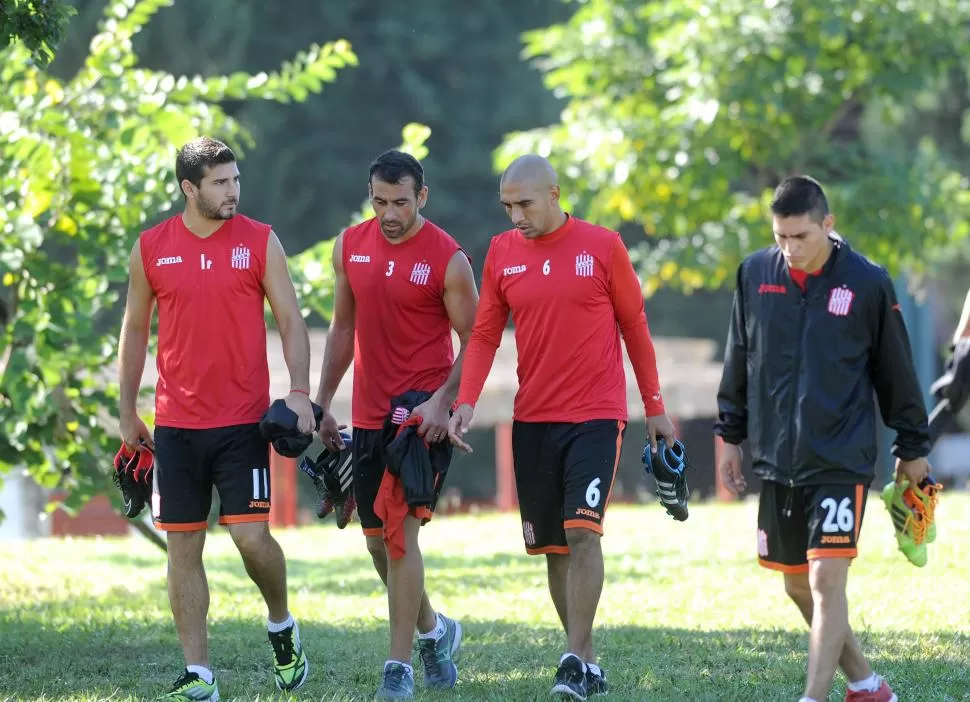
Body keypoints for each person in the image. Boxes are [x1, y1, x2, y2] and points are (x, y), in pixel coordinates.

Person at [447, 154, 676, 701]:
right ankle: (586, 659)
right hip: (534, 419)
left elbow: (634, 325)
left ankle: (572, 659)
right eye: (507, 206)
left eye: (524, 203)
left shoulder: (603, 246)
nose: (515, 216)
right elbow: (482, 337)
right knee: (554, 547)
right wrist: (465, 402)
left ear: (554, 193)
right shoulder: (503, 253)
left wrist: (655, 406)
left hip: (596, 415)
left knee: (582, 531)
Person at [714, 175, 931, 702]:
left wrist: (913, 447)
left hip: (842, 456)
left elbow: (896, 371)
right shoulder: (754, 274)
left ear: (828, 226)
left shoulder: (868, 282)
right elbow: (739, 356)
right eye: (781, 237)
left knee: (825, 582)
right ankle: (866, 684)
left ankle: (813, 698)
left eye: (801, 237)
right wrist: (729, 434)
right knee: (794, 583)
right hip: (778, 461)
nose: (789, 249)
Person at [117, 136, 314, 701]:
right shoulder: (152, 248)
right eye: (220, 183)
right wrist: (127, 408)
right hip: (176, 424)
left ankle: (281, 625)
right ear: (189, 188)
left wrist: (300, 392)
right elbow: (134, 330)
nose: (233, 191)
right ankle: (199, 674)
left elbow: (292, 321)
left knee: (251, 540)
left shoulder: (259, 240)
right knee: (183, 547)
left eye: (235, 180)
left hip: (242, 423)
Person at [313, 150, 479, 700]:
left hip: (419, 416)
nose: (388, 213)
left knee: (399, 536)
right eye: (379, 201)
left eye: (400, 202)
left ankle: (398, 667)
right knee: (376, 543)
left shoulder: (448, 259)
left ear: (421, 198)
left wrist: (444, 403)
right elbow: (341, 329)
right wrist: (321, 403)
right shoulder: (349, 246)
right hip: (366, 416)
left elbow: (477, 342)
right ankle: (435, 631)